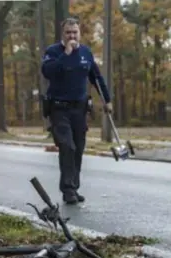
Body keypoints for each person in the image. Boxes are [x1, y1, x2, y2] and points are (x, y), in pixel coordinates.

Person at [41, 17, 112, 205]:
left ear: (79, 33)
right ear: (62, 34)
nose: (72, 36)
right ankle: (68, 190)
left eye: (75, 32)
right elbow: (48, 72)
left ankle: (74, 186)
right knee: (67, 146)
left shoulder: (86, 53)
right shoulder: (53, 52)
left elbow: (97, 78)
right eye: (68, 32)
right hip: (59, 109)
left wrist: (107, 100)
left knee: (78, 149)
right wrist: (67, 53)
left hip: (79, 110)